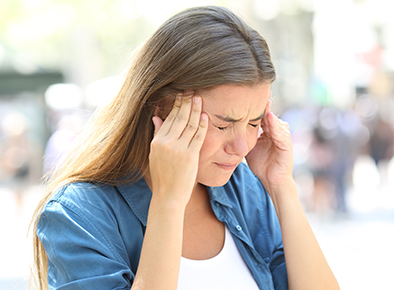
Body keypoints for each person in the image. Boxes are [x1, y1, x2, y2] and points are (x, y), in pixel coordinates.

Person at [30, 6, 340, 290]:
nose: (243, 145)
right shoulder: (78, 213)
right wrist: (169, 200)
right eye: (223, 125)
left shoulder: (243, 190)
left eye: (254, 122)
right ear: (162, 107)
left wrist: (281, 186)